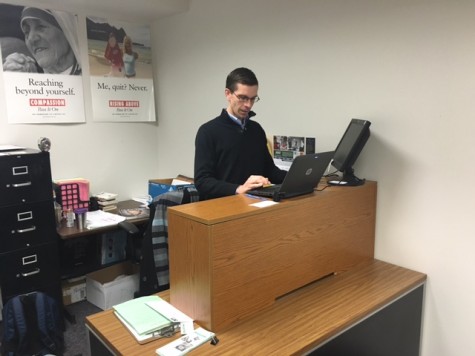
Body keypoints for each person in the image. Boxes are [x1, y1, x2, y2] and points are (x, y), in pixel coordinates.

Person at [194, 67, 287, 200]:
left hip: (254, 204)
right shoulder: (208, 132)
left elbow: (270, 171)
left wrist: (297, 178)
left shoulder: (256, 129)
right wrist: (238, 189)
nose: (248, 105)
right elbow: (203, 182)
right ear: (228, 94)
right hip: (221, 206)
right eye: (243, 98)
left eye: (253, 99)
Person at [3, 7, 81, 75]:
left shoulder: (91, 75)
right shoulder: (28, 73)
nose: (31, 39)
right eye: (26, 32)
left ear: (67, 31)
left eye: (41, 27)